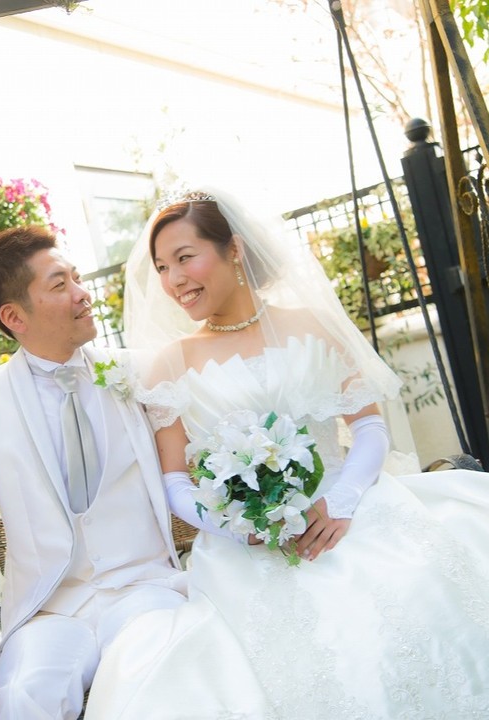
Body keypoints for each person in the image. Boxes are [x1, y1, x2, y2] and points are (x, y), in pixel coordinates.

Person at [84, 188, 489, 719]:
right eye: (162, 267)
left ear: (234, 249)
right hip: (249, 548)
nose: (173, 279)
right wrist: (238, 527)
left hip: (350, 511)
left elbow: (368, 426)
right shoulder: (169, 365)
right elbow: (175, 481)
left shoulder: (313, 325)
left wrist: (342, 500)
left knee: (419, 591)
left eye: (185, 257)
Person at [0, 225, 187, 720]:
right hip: (50, 608)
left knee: (153, 683)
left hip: (144, 588)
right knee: (23, 699)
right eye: (60, 284)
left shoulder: (138, 372)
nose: (82, 293)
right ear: (15, 317)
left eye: (77, 277)